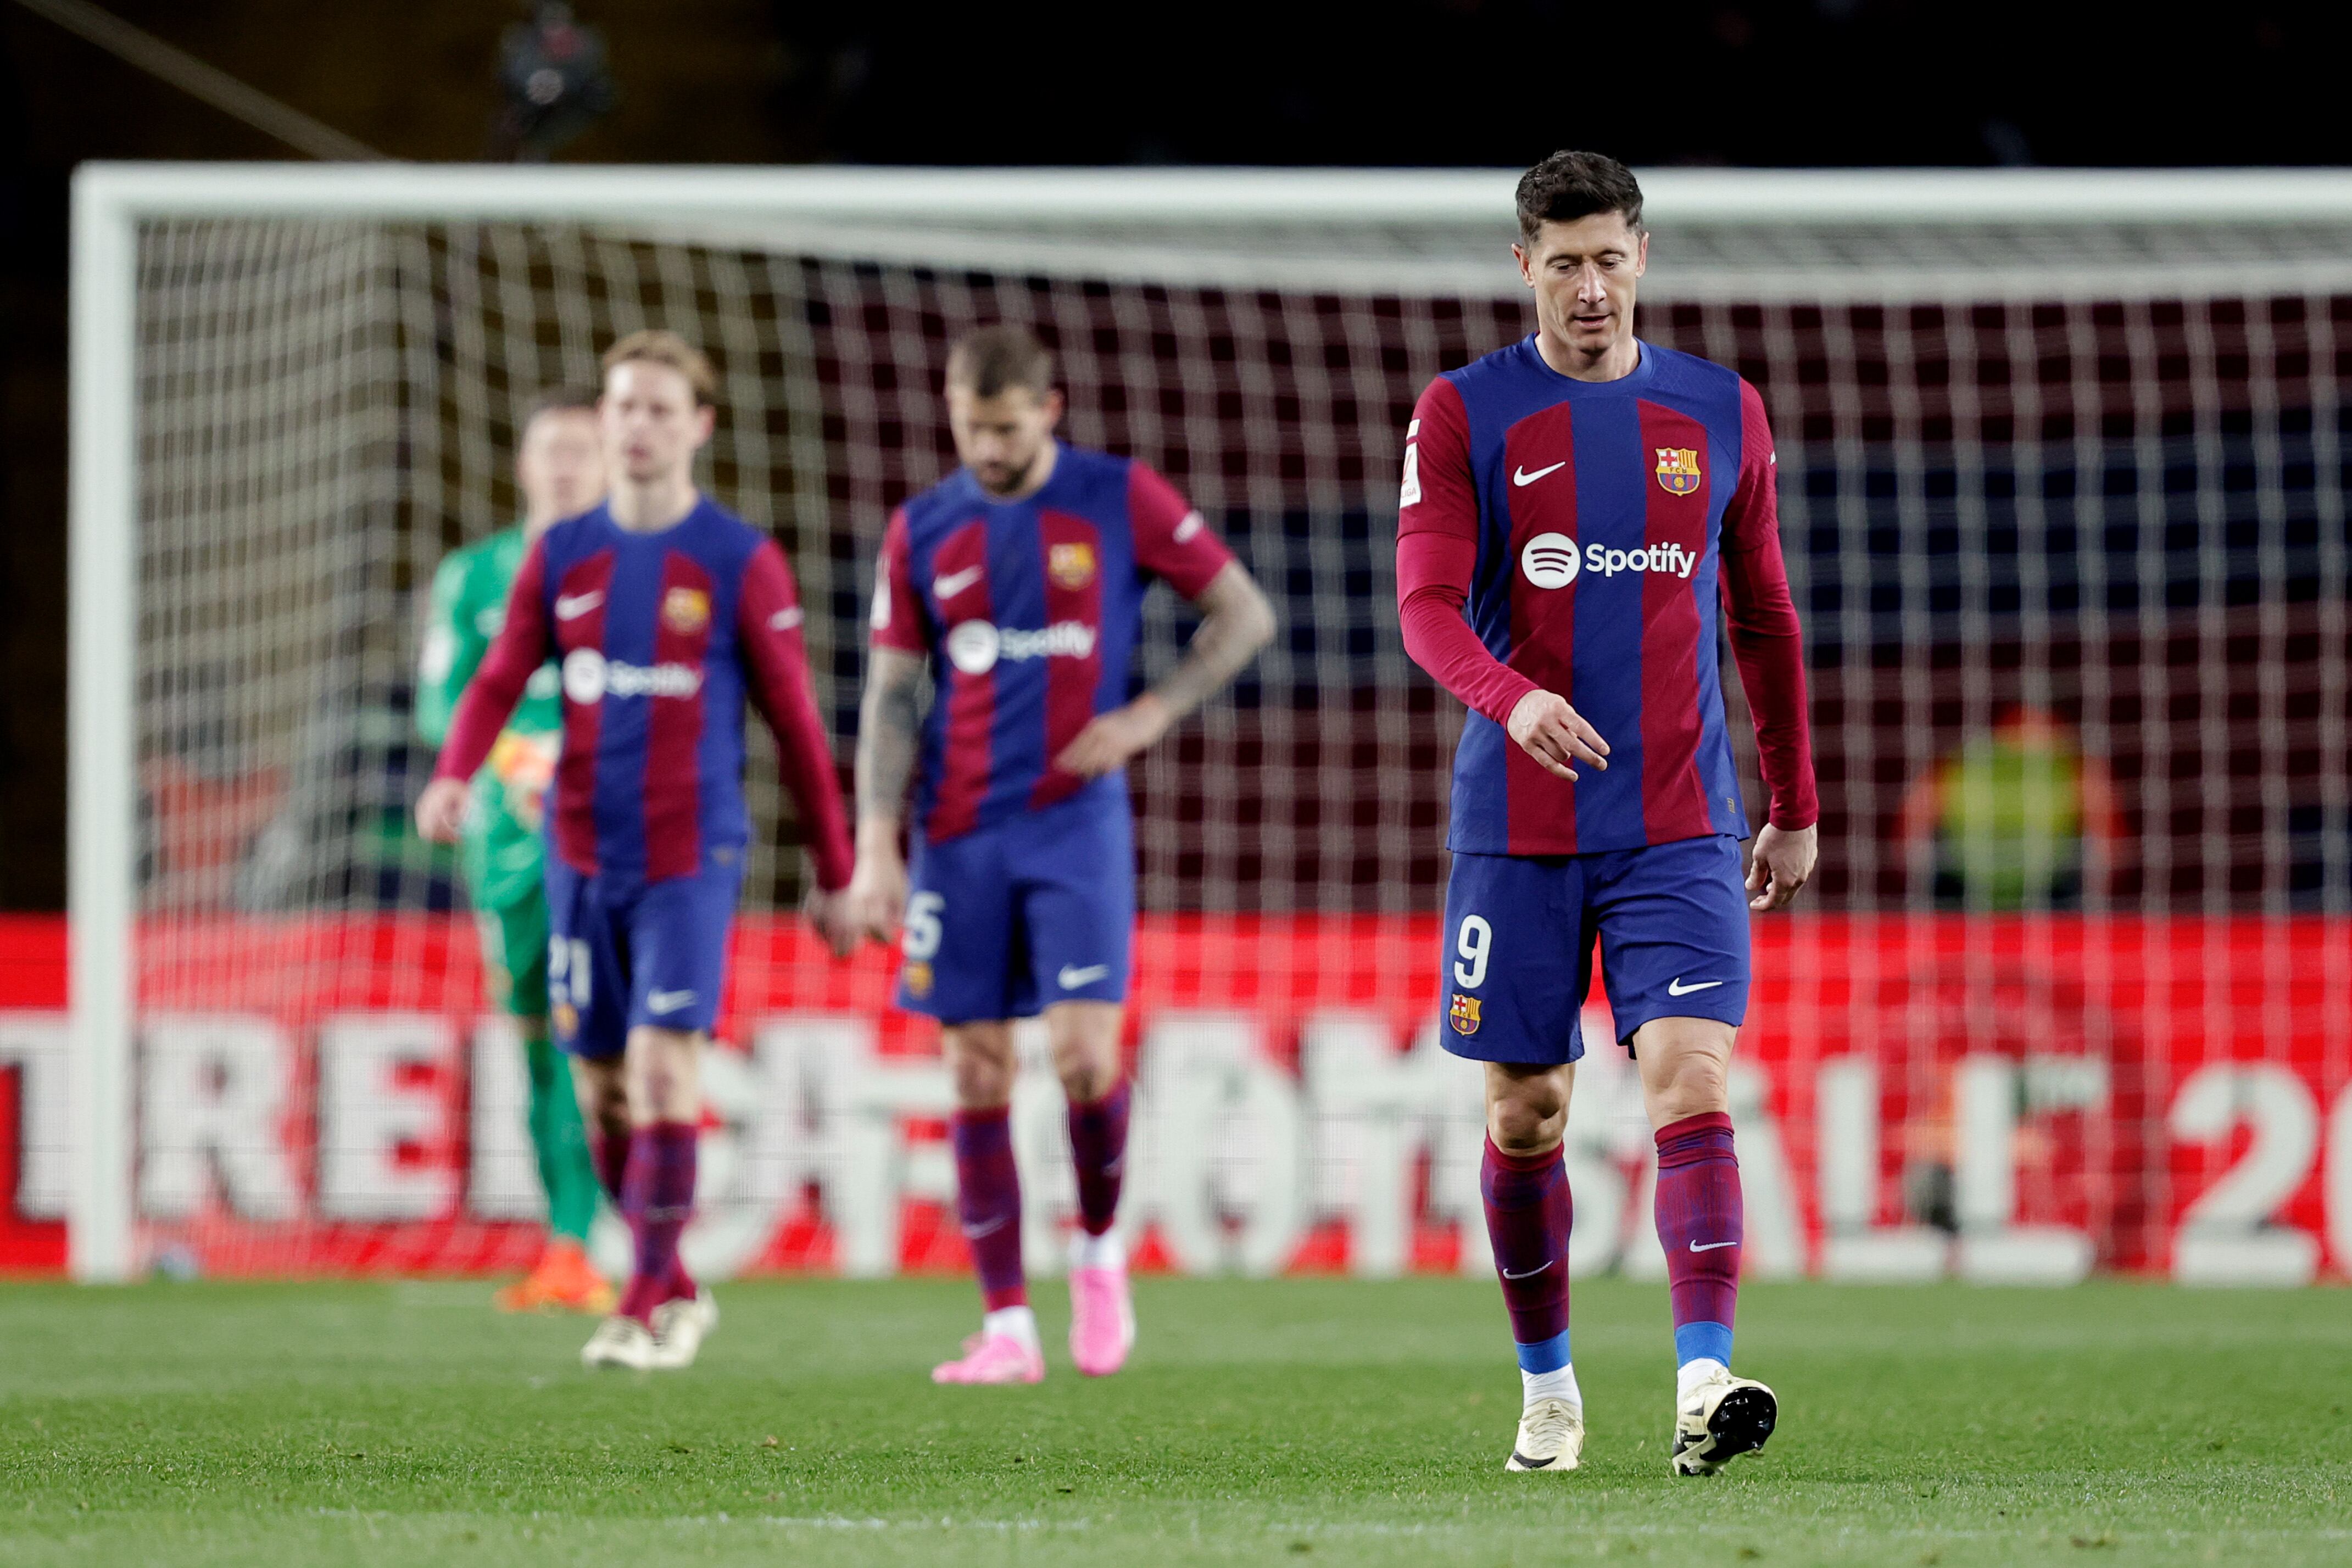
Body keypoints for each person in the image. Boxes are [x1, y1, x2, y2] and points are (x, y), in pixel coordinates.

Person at [1394, 150, 1819, 1476]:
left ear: (1644, 255)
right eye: (1563, 262)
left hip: (1679, 819)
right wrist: (1505, 694)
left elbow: (1761, 616)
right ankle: (1548, 1393)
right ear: (1522, 267)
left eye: (1609, 257)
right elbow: (1420, 607)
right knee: (1526, 1111)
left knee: (1689, 1077)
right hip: (1515, 825)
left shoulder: (1717, 410)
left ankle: (1702, 1388)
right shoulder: (1465, 413)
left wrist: (1794, 801)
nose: (1590, 286)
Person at [417, 330, 858, 1371]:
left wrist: (837, 873)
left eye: (661, 409)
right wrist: (454, 770)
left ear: (698, 427)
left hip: (688, 854)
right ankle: (676, 1279)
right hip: (577, 856)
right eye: (625, 408)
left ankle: (643, 1303)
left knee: (664, 1073)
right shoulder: (561, 558)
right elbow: (493, 680)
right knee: (602, 1092)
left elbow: (796, 726)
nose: (639, 426)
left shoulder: (737, 559)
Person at [846, 325, 1274, 1385]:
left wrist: (1148, 715)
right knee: (975, 1067)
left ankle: (1095, 1253)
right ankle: (1003, 1326)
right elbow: (891, 695)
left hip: (1073, 823)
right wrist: (873, 844)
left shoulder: (1115, 497)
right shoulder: (923, 530)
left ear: (1050, 409)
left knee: (1085, 1059)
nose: (984, 448)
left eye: (1003, 428)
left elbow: (1243, 613)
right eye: (967, 426)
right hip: (956, 833)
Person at [416, 386, 614, 1316]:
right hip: (503, 838)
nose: (567, 463)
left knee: (610, 1037)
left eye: (585, 447)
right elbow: (437, 702)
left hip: (611, 828)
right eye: (552, 448)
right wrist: (504, 761)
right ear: (524, 463)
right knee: (538, 1039)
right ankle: (565, 1246)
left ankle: (620, 1244)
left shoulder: (635, 570)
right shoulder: (475, 575)